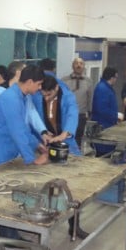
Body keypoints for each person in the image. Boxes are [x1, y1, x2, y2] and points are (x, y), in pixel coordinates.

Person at [0, 65, 49, 250]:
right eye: (39, 84)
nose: (40, 88)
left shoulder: (21, 97)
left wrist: (37, 144)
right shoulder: (11, 99)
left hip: (5, 152)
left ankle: (9, 237)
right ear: (29, 82)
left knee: (7, 197)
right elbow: (17, 132)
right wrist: (32, 160)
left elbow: (23, 128)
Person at [37, 75, 89, 239]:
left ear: (56, 89)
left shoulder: (68, 97)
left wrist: (64, 134)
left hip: (67, 144)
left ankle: (74, 226)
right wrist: (43, 134)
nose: (46, 98)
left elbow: (72, 115)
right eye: (44, 95)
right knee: (44, 186)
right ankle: (42, 224)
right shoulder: (38, 96)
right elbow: (35, 117)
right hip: (46, 144)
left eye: (49, 95)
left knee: (73, 188)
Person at [61, 57, 93, 147]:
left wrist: (90, 112)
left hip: (81, 115)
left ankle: (77, 153)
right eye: (76, 63)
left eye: (81, 63)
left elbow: (90, 98)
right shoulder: (64, 80)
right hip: (67, 114)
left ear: (84, 66)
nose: (79, 65)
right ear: (72, 66)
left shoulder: (89, 81)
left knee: (79, 138)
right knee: (67, 136)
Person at [91, 66, 119, 156]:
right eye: (116, 78)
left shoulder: (106, 88)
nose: (116, 80)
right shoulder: (102, 89)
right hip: (103, 127)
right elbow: (101, 109)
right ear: (112, 78)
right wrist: (115, 115)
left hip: (107, 126)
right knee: (103, 154)